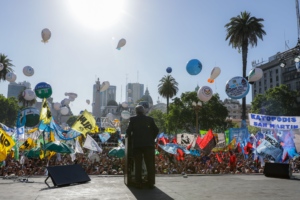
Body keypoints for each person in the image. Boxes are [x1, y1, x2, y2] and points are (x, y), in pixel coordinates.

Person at [126, 105, 159, 189]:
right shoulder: (150, 119)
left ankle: (138, 183)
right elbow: (156, 130)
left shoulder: (132, 119)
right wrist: (151, 138)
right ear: (143, 111)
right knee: (150, 164)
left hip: (137, 145)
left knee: (138, 164)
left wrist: (130, 140)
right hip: (148, 145)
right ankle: (150, 183)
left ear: (136, 111)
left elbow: (128, 131)